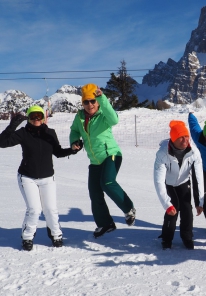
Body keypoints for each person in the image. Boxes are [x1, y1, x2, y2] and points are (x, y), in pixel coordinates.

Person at [0, 105, 80, 251]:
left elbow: (58, 152)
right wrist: (12, 125)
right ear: (29, 118)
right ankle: (27, 237)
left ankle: (56, 235)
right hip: (27, 177)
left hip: (47, 178)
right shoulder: (23, 133)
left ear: (43, 117)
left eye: (39, 116)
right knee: (34, 209)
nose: (36, 119)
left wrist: (72, 150)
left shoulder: (50, 132)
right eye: (33, 116)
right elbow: (2, 142)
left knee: (50, 209)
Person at [69, 83, 136, 238]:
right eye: (86, 102)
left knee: (107, 182)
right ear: (82, 103)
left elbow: (114, 119)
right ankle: (105, 224)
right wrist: (74, 141)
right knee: (95, 193)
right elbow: (74, 131)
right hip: (94, 160)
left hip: (111, 154)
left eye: (93, 101)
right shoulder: (79, 117)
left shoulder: (104, 115)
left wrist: (102, 97)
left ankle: (129, 208)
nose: (90, 104)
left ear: (97, 101)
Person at [154, 120, 204, 249]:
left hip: (183, 182)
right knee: (173, 209)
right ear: (173, 139)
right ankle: (166, 238)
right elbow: (159, 181)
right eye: (181, 137)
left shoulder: (194, 152)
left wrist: (200, 201)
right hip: (168, 183)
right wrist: (166, 204)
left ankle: (187, 237)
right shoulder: (162, 153)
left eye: (186, 136)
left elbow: (198, 177)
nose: (185, 140)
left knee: (187, 209)